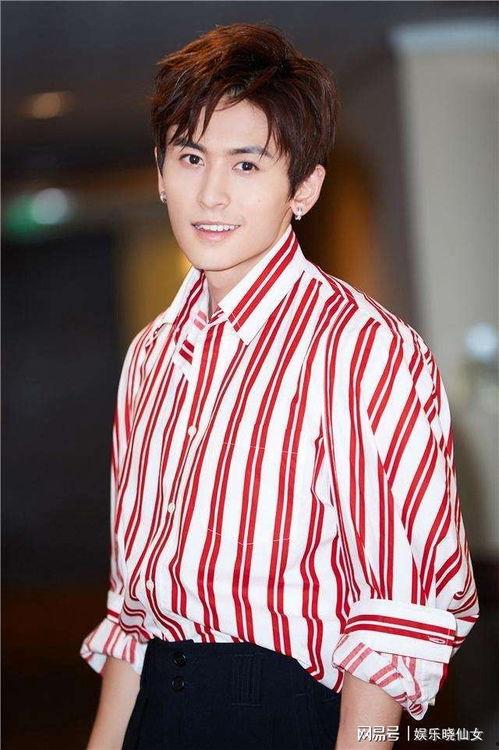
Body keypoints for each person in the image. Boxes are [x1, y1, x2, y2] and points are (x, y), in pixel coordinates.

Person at [81, 21, 479, 750]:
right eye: (190, 157)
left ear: (303, 188)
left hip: (282, 715)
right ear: (161, 172)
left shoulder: (362, 347)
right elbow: (132, 614)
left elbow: (398, 616)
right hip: (155, 714)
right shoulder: (150, 357)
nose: (210, 194)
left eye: (246, 164)